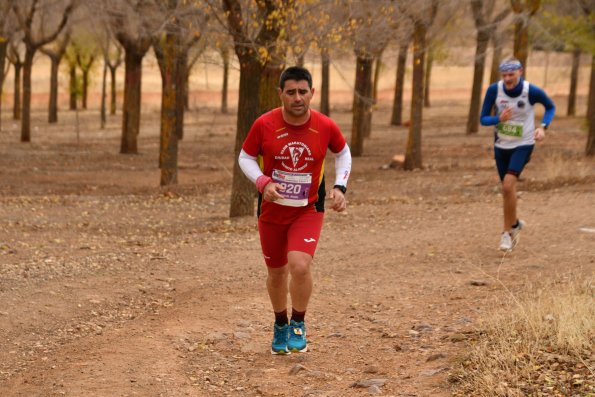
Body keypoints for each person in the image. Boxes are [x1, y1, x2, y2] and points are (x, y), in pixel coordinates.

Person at [238, 66, 352, 354]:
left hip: (308, 208)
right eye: (291, 92)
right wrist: (263, 181)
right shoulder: (264, 124)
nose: (297, 98)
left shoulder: (325, 125)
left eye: (303, 92)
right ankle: (280, 324)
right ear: (281, 94)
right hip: (272, 211)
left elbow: (343, 152)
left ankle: (298, 323)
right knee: (277, 273)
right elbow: (246, 157)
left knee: (300, 266)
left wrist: (340, 187)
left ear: (312, 93)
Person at [480, 58, 555, 251]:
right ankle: (514, 224)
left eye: (511, 74)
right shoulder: (494, 90)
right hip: (501, 145)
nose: (507, 79)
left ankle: (506, 234)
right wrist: (498, 118)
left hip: (524, 144)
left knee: (507, 185)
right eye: (504, 75)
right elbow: (483, 119)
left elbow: (550, 106)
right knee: (508, 190)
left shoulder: (531, 91)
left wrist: (543, 127)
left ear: (520, 72)